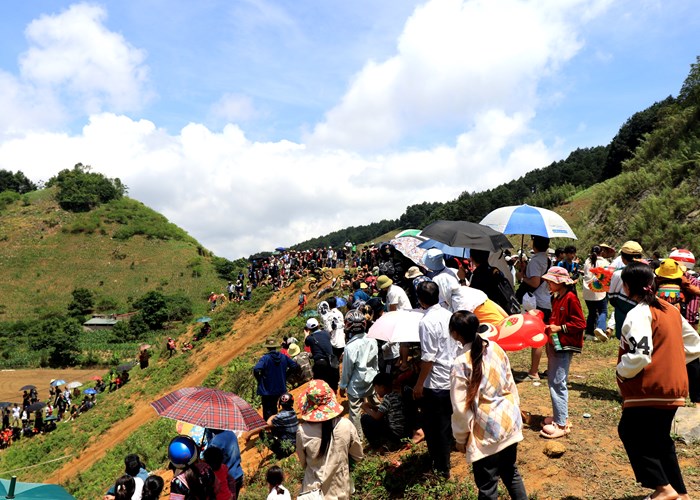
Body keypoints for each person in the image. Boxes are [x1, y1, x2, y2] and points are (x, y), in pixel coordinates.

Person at [617, 262, 700, 500]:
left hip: (649, 387)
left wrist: (622, 371)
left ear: (626, 287)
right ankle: (680, 493)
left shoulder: (638, 313)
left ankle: (663, 489)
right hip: (674, 387)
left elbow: (640, 354)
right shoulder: (670, 310)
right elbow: (695, 345)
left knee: (630, 431)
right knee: (661, 439)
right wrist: (671, 362)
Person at [449, 311, 527, 500]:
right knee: (511, 472)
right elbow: (510, 383)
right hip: (508, 420)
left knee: (487, 485)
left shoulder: (460, 363)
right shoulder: (496, 348)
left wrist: (460, 438)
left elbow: (460, 408)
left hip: (485, 430)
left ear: (455, 334)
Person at [413, 280, 458, 477]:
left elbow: (429, 358)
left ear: (420, 299)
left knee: (434, 427)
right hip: (453, 376)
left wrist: (419, 384)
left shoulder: (426, 322)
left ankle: (441, 468)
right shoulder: (449, 315)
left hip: (436, 381)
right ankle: (446, 457)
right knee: (447, 422)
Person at [296, 380, 364, 499]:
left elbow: (303, 463)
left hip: (314, 492)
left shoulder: (302, 431)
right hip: (340, 490)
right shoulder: (346, 425)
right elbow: (358, 456)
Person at [539, 266, 586, 439]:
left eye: (551, 282)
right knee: (554, 380)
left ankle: (561, 424)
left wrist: (559, 328)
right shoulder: (557, 297)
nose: (548, 285)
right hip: (555, 344)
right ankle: (560, 416)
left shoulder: (571, 298)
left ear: (559, 282)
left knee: (558, 382)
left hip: (564, 345)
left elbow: (580, 323)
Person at [515, 235, 552, 382]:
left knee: (538, 337)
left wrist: (521, 277)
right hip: (546, 300)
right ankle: (551, 368)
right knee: (547, 337)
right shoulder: (547, 259)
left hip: (537, 303)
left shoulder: (536, 261)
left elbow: (535, 282)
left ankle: (534, 371)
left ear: (534, 244)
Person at [338, 309, 379, 440]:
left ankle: (358, 438)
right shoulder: (372, 340)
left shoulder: (350, 347)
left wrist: (343, 385)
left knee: (355, 411)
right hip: (372, 379)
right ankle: (383, 423)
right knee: (375, 403)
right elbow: (375, 360)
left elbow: (347, 370)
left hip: (356, 384)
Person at [253, 339, 299, 420]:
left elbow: (256, 369)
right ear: (275, 347)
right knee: (280, 407)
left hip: (267, 390)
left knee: (268, 410)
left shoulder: (265, 358)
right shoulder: (283, 357)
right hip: (281, 388)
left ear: (267, 348)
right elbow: (294, 366)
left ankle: (270, 428)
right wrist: (286, 375)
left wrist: (260, 380)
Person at [360, 372, 407, 449]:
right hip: (403, 431)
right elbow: (384, 411)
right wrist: (372, 407)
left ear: (382, 387)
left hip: (394, 434)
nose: (376, 391)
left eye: (376, 388)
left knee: (365, 418)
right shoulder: (396, 395)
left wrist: (366, 408)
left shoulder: (388, 398)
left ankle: (377, 446)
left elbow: (377, 417)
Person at [608, 241, 644, 339]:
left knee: (624, 338)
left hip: (621, 307)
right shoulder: (648, 272)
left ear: (623, 258)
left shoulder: (618, 274)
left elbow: (612, 296)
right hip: (642, 307)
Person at [582, 245, 610, 342]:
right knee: (603, 310)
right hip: (599, 290)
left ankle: (589, 333)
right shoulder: (604, 262)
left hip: (587, 290)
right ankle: (600, 327)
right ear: (601, 252)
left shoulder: (587, 261)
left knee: (592, 312)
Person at [204, 428, 244, 498]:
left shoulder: (215, 442)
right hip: (238, 473)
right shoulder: (230, 433)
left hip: (226, 478)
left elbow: (210, 458)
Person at [304, 318, 339, 391]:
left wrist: (306, 334)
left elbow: (306, 343)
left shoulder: (309, 338)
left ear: (308, 328)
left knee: (319, 383)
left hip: (320, 363)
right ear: (318, 325)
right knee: (332, 382)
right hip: (331, 361)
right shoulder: (326, 333)